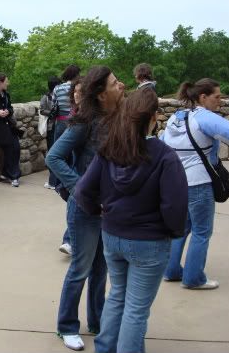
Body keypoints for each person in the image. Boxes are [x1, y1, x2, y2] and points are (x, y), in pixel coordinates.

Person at [74, 88, 188, 353]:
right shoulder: (164, 156)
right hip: (149, 242)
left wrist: (99, 212)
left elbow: (82, 191)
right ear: (152, 117)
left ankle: (105, 348)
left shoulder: (109, 150)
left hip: (113, 237)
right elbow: (175, 205)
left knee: (117, 297)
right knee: (136, 310)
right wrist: (172, 232)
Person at [46, 66, 125, 351]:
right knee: (80, 268)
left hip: (109, 208)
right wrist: (82, 188)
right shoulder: (85, 122)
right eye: (116, 83)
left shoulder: (116, 117)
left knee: (101, 268)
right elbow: (54, 157)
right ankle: (67, 326)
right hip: (84, 209)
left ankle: (98, 320)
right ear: (102, 94)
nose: (122, 85)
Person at [162, 78, 229, 289]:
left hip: (177, 182)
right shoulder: (204, 117)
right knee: (202, 231)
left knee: (181, 228)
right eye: (217, 96)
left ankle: (171, 270)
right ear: (203, 97)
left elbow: (163, 142)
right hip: (199, 183)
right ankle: (193, 278)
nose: (220, 101)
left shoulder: (176, 117)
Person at [58, 76, 84, 256]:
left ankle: (69, 240)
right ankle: (69, 240)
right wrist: (73, 182)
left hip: (82, 170)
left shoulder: (83, 116)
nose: (76, 95)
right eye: (74, 91)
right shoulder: (78, 117)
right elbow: (54, 156)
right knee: (75, 205)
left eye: (80, 92)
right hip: (78, 171)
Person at [39, 76, 62, 190]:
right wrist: (53, 113)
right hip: (51, 127)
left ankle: (55, 180)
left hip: (61, 126)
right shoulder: (46, 97)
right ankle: (53, 179)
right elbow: (42, 110)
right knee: (53, 151)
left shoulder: (60, 96)